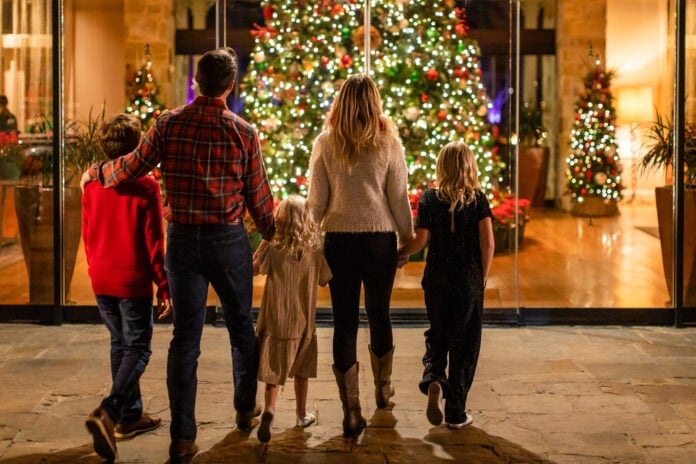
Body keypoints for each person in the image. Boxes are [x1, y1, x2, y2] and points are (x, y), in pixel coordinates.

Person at [81, 47, 276, 463]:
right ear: (230, 85)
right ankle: (245, 409)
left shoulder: (168, 124)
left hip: (184, 243)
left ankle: (183, 438)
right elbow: (260, 200)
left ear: (197, 83)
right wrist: (274, 235)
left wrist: (97, 173)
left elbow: (131, 167)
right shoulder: (243, 132)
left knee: (185, 341)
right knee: (242, 328)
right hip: (227, 241)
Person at [307, 74, 413, 437]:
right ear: (374, 102)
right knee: (380, 313)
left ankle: (351, 409)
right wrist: (408, 239)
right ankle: (383, 392)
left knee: (344, 321)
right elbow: (398, 196)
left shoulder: (325, 143)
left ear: (341, 102)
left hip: (339, 240)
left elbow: (316, 202)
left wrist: (309, 238)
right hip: (379, 239)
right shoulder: (388, 143)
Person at [82, 113, 171, 462]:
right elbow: (153, 243)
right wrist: (164, 285)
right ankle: (110, 410)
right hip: (131, 278)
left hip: (101, 275)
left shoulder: (91, 183)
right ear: (138, 148)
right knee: (139, 347)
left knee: (120, 343)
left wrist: (93, 267)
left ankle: (130, 417)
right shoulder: (146, 186)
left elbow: (88, 233)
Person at [397, 141, 494, 429]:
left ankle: (434, 379)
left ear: (442, 166)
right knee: (465, 344)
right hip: (467, 280)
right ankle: (455, 412)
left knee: (438, 333)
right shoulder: (478, 200)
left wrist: (399, 254)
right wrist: (482, 276)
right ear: (470, 166)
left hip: (437, 279)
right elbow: (487, 243)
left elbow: (421, 240)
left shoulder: (429, 199)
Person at [252, 195, 332, 443]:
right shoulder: (315, 250)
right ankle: (300, 414)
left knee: (273, 372)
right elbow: (326, 279)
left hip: (276, 319)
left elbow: (254, 268)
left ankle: (270, 410)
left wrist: (263, 244)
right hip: (304, 322)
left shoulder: (274, 247)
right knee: (302, 371)